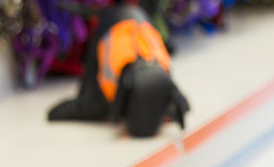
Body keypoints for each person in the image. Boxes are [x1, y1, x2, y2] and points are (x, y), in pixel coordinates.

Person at [47, 4, 189, 138]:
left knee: (87, 94)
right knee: (87, 92)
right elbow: (55, 113)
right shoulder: (103, 100)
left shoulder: (163, 82)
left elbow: (54, 113)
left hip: (143, 20)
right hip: (112, 23)